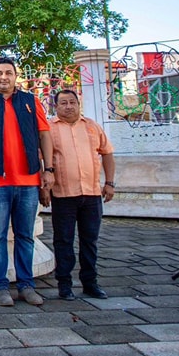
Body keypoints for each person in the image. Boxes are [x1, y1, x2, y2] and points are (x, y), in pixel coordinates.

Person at [0, 58, 54, 307]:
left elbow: (44, 135)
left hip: (29, 181)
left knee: (25, 235)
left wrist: (49, 169)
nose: (4, 77)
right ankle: (0, 286)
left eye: (8, 73)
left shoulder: (30, 102)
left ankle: (26, 285)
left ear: (16, 76)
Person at [41, 89, 116, 300]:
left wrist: (109, 183)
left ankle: (90, 283)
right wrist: (44, 187)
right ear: (56, 106)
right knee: (63, 240)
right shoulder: (49, 128)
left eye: (72, 102)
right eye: (63, 103)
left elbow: (107, 153)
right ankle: (64, 285)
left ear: (78, 103)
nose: (68, 106)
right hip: (63, 194)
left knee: (89, 240)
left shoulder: (92, 126)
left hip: (91, 193)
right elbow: (41, 160)